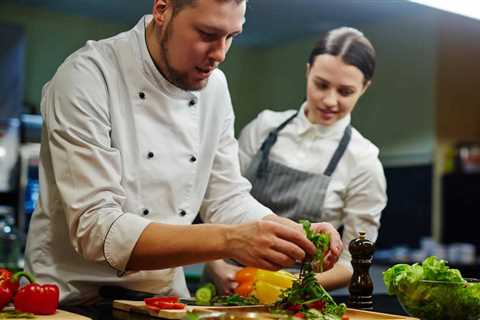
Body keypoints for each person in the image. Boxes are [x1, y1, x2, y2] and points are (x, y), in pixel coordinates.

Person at [24, 0, 343, 307]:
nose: (219, 54)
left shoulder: (215, 87)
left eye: (231, 36)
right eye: (207, 34)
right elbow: (96, 228)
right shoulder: (88, 76)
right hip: (73, 298)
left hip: (164, 298)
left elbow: (226, 197)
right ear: (162, 9)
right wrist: (230, 241)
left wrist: (291, 234)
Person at [205, 27, 387, 293]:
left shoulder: (364, 161)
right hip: (227, 281)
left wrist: (284, 286)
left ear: (364, 88)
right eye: (321, 85)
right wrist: (216, 265)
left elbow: (352, 263)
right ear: (307, 71)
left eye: (346, 91)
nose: (330, 100)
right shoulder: (264, 128)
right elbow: (219, 202)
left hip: (296, 295)